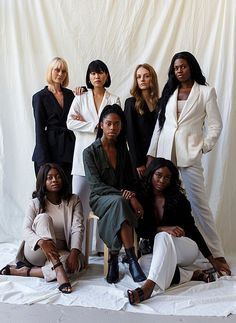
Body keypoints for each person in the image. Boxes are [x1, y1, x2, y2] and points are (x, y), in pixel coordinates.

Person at [147, 51, 230, 272]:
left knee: (199, 204)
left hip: (189, 154)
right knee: (164, 201)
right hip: (165, 153)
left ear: (191, 67)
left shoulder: (205, 92)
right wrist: (151, 154)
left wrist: (203, 146)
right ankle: (168, 247)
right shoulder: (169, 92)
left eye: (183, 66)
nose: (179, 70)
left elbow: (215, 124)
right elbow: (160, 125)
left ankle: (216, 253)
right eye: (176, 68)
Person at [127, 158, 228, 305]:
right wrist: (161, 228)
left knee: (162, 237)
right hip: (163, 250)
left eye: (167, 177)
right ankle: (192, 274)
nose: (162, 180)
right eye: (158, 175)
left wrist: (213, 260)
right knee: (142, 263)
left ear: (171, 180)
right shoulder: (142, 197)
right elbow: (141, 230)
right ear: (151, 174)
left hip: (186, 248)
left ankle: (148, 287)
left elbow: (193, 230)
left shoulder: (178, 199)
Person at [83, 104, 146, 284]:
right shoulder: (89, 152)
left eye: (117, 124)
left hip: (120, 200)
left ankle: (113, 258)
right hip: (100, 199)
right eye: (109, 124)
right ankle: (132, 259)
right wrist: (129, 196)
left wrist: (130, 193)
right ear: (101, 125)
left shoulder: (122, 151)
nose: (113, 128)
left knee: (119, 204)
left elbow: (131, 180)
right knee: (120, 202)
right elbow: (96, 186)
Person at [0, 163, 85, 294]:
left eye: (58, 177)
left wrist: (74, 253)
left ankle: (26, 272)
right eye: (49, 178)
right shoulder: (35, 203)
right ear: (43, 181)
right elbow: (25, 230)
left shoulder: (74, 200)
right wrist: (41, 242)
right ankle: (58, 268)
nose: (55, 180)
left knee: (73, 265)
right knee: (44, 218)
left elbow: (77, 227)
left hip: (60, 250)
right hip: (37, 251)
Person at [67, 60, 120, 254]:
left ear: (106, 75)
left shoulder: (115, 99)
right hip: (82, 158)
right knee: (79, 203)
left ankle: (100, 247)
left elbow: (116, 127)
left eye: (101, 72)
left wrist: (89, 122)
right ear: (89, 77)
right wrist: (94, 125)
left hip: (106, 158)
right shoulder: (80, 98)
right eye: (93, 73)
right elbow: (70, 122)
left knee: (104, 203)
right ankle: (77, 248)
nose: (97, 76)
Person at [32, 57, 75, 189]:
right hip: (48, 149)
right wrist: (43, 160)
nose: (60, 74)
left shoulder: (70, 95)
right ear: (50, 71)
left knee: (67, 190)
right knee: (47, 192)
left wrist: (82, 90)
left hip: (68, 148)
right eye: (57, 70)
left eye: (64, 71)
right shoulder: (40, 97)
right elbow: (39, 129)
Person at [124, 64, 159, 178]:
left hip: (158, 154)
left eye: (146, 76)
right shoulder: (131, 103)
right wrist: (139, 162)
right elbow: (130, 134)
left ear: (152, 78)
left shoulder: (160, 103)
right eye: (139, 77)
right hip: (139, 158)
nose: (142, 80)